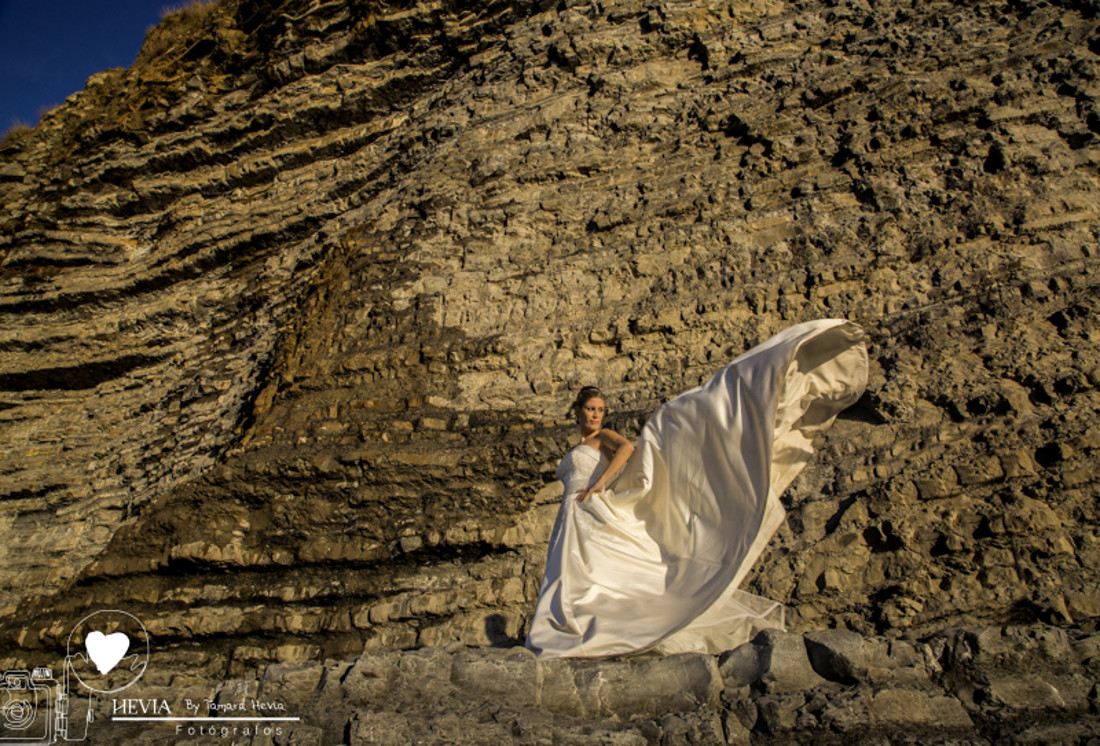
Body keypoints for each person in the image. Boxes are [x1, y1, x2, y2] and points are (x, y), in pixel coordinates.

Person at [525, 319, 868, 659]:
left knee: (589, 572)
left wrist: (600, 483)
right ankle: (571, 628)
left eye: (600, 410)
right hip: (569, 513)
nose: (596, 415)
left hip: (587, 505)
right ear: (577, 411)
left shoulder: (602, 437)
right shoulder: (578, 445)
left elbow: (628, 449)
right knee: (575, 575)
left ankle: (588, 632)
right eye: (590, 409)